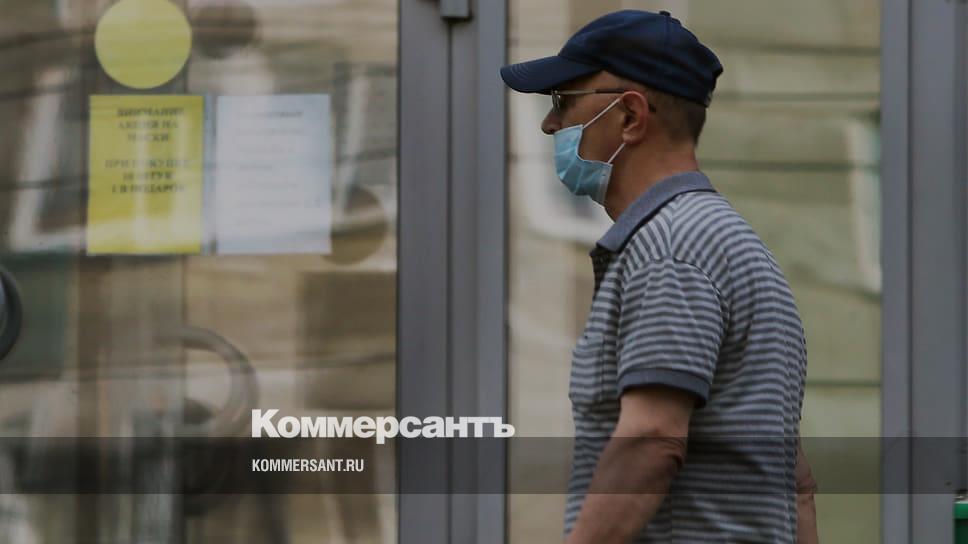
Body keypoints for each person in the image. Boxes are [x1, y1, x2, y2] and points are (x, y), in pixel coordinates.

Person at [500, 10, 818, 543]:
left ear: (630, 115)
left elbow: (651, 441)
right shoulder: (735, 243)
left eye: (563, 100)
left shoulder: (669, 248)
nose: (549, 124)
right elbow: (797, 485)